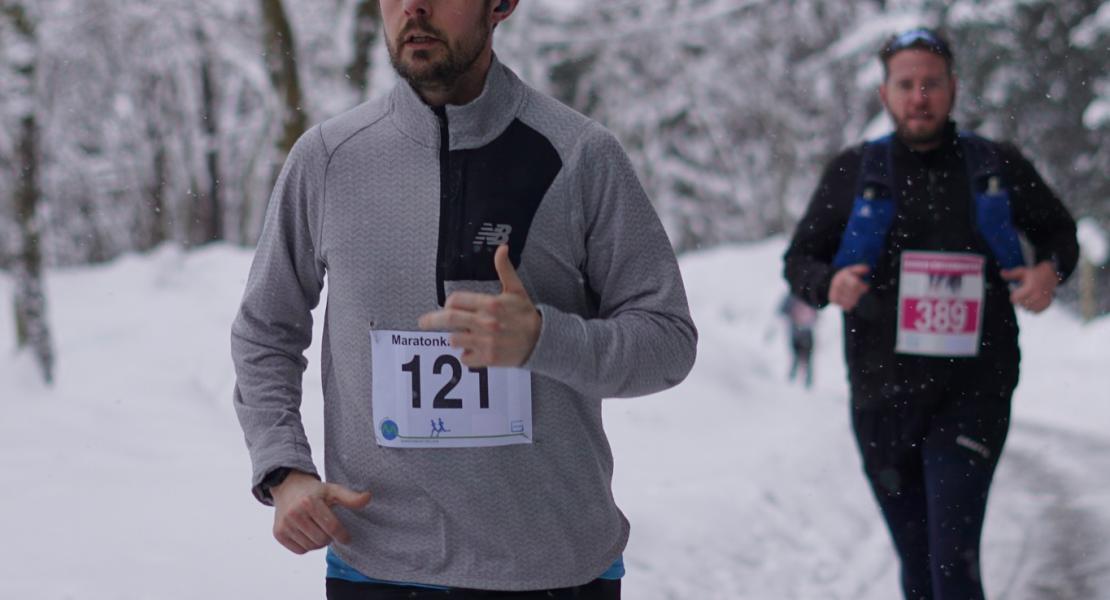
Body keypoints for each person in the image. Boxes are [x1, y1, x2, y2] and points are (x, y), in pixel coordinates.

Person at [230, 1, 697, 598]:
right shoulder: (327, 159)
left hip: (554, 568)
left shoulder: (580, 155)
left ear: (500, 5)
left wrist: (543, 339)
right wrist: (284, 468)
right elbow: (265, 329)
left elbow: (668, 341)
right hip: (378, 567)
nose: (414, 8)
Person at [783, 27, 1078, 600]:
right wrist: (829, 284)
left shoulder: (994, 165)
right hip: (881, 400)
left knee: (952, 565)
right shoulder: (854, 172)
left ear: (953, 89)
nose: (920, 97)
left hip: (974, 393)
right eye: (906, 85)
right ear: (885, 94)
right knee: (919, 572)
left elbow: (1060, 234)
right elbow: (799, 260)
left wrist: (1049, 272)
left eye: (932, 84)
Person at [778, 293, 818, 387]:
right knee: (796, 358)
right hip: (796, 333)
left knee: (807, 359)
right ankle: (792, 381)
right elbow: (782, 311)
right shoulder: (792, 296)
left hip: (806, 333)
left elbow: (817, 312)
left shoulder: (809, 295)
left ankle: (807, 382)